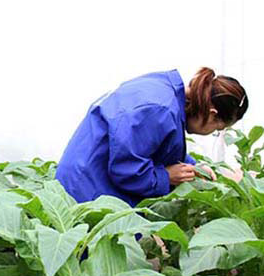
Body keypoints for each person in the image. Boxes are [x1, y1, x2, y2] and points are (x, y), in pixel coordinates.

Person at [56, 68, 248, 206]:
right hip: (87, 187)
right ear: (212, 113)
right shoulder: (160, 110)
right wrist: (165, 177)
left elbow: (152, 146)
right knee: (92, 258)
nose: (211, 133)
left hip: (88, 172)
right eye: (217, 128)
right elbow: (126, 169)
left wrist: (191, 166)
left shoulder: (168, 94)